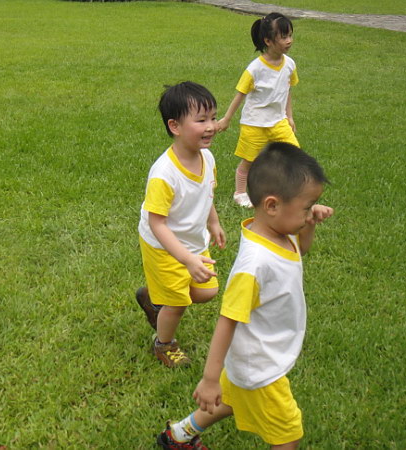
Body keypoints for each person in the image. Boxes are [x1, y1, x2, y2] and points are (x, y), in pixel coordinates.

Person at [157, 142, 334, 449]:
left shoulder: (279, 234)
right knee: (288, 434)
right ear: (272, 205)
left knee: (229, 401)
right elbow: (227, 320)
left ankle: (179, 435)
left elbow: (300, 250)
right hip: (261, 365)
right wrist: (209, 379)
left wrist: (308, 224)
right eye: (306, 207)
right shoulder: (254, 265)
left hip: (253, 354)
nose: (310, 212)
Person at [135, 81, 226, 368]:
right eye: (201, 120)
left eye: (213, 118)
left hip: (191, 240)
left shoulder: (207, 157)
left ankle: (154, 298)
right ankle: (164, 344)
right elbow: (157, 223)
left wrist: (213, 222)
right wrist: (186, 259)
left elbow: (206, 192)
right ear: (175, 126)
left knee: (207, 291)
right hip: (163, 245)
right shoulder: (164, 174)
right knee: (177, 302)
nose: (211, 126)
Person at [218, 12, 299, 208]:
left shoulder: (289, 65)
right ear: (268, 41)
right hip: (254, 123)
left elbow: (287, 90)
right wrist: (226, 119)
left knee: (294, 154)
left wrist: (289, 116)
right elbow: (240, 95)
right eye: (284, 37)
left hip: (278, 121)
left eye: (290, 35)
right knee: (249, 160)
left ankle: (282, 189)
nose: (289, 41)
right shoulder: (254, 69)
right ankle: (240, 192)